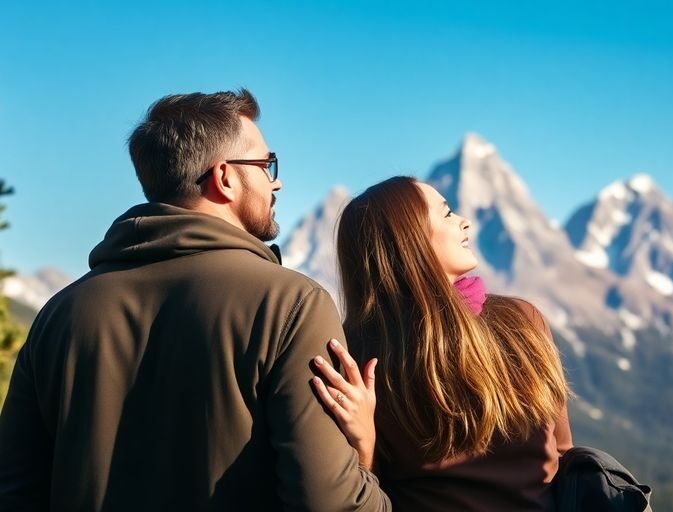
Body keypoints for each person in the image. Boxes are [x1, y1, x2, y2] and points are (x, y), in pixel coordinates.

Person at [0, 89, 390, 511]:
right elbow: (329, 503)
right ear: (225, 177)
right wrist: (365, 461)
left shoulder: (60, 313)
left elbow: (14, 490)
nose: (276, 180)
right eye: (265, 165)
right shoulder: (291, 304)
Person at [311, 176, 572, 511]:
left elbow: (562, 456)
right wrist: (364, 450)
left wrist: (366, 453)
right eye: (447, 213)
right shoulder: (357, 353)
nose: (465, 222)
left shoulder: (355, 348)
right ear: (409, 239)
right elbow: (563, 454)